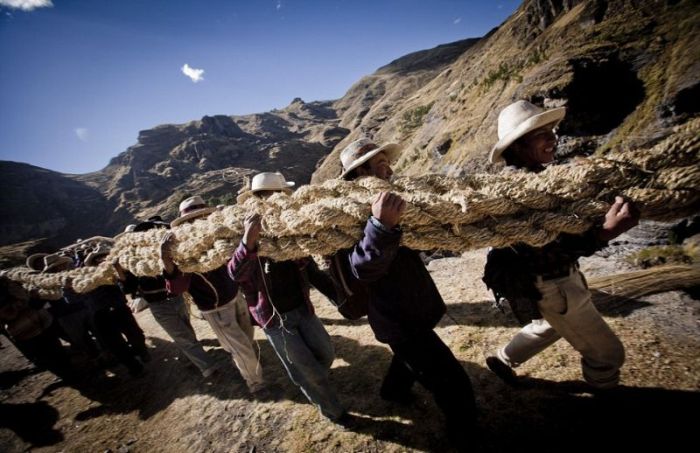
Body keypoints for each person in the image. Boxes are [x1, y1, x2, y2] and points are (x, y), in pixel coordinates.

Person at [483, 100, 640, 390]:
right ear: (517, 147)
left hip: (553, 284)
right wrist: (604, 232)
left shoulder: (539, 181)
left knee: (548, 325)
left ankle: (504, 359)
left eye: (551, 131)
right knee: (608, 354)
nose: (553, 138)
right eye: (541, 134)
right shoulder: (522, 193)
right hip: (554, 285)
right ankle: (604, 392)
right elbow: (544, 249)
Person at [339, 138, 477, 446]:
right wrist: (379, 226)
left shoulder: (394, 200)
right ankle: (464, 434)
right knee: (453, 384)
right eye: (379, 165)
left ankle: (393, 390)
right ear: (359, 175)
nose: (389, 170)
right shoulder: (345, 214)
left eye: (387, 163)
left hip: (415, 305)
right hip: (397, 320)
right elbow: (362, 269)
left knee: (409, 358)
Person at [229, 172, 346, 422]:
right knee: (306, 371)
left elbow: (311, 270)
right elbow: (235, 274)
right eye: (275, 195)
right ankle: (333, 411)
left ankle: (316, 380)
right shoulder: (242, 230)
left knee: (326, 353)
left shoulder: (290, 229)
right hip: (274, 319)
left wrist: (339, 297)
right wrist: (247, 243)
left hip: (302, 309)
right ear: (262, 199)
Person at [161, 196, 264, 392]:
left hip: (236, 297)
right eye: (191, 220)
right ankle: (255, 383)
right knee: (240, 348)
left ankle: (248, 362)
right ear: (184, 224)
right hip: (216, 309)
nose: (197, 222)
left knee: (247, 337)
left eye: (202, 217)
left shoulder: (220, 237)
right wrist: (166, 260)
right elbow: (176, 288)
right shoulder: (181, 254)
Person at [112, 219, 218, 378]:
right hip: (159, 305)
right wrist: (119, 270)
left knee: (186, 331)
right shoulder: (132, 261)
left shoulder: (162, 251)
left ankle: (187, 359)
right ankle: (207, 367)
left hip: (177, 298)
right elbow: (129, 288)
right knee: (182, 335)